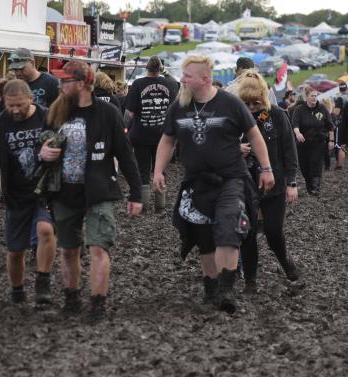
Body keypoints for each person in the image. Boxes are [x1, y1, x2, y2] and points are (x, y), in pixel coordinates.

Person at [153, 55, 275, 314]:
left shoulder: (230, 103)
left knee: (229, 228)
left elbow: (254, 135)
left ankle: (226, 289)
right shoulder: (179, 107)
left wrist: (265, 168)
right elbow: (167, 140)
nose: (182, 80)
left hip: (231, 179)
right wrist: (158, 171)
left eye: (187, 76)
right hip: (196, 182)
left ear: (205, 78)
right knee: (204, 239)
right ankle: (211, 287)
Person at [38, 60, 143, 318]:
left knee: (98, 247)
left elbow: (125, 153)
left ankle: (98, 303)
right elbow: (40, 144)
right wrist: (42, 152)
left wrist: (136, 193)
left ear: (83, 83)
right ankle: (71, 301)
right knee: (69, 249)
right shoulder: (56, 111)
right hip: (64, 190)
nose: (61, 85)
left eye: (66, 81)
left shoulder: (107, 114)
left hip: (99, 190)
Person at [0, 80, 56, 306]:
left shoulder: (46, 117)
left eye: (19, 105)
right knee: (15, 250)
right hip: (15, 194)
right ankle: (17, 290)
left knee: (45, 229)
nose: (14, 110)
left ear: (31, 99)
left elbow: (65, 144)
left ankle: (43, 281)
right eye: (10, 105)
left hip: (45, 189)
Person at [235, 72, 301, 292]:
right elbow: (218, 148)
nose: (251, 107)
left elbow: (290, 153)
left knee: (273, 231)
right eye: (246, 103)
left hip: (274, 186)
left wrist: (291, 183)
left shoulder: (278, 116)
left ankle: (286, 262)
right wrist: (236, 150)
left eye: (255, 103)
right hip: (245, 186)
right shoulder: (234, 119)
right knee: (248, 235)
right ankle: (250, 281)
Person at [124, 56, 180, 211]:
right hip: (164, 136)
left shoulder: (138, 84)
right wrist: (165, 71)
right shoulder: (170, 84)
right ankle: (160, 205)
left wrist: (123, 128)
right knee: (160, 169)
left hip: (141, 134)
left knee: (142, 168)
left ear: (146, 67)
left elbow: (129, 113)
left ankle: (144, 204)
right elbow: (178, 84)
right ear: (160, 68)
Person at [290, 87, 334, 195]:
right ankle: (310, 186)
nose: (314, 98)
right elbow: (295, 124)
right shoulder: (299, 109)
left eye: (315, 96)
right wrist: (298, 133)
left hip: (318, 141)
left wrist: (331, 141)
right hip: (303, 142)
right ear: (306, 97)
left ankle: (316, 187)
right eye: (312, 96)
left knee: (315, 163)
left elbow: (330, 126)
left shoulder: (322, 108)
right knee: (304, 167)